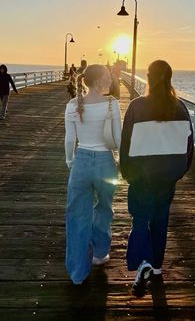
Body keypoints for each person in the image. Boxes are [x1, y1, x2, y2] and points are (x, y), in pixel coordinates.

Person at [120, 60, 193, 297]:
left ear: (148, 77)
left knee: (141, 219)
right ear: (170, 78)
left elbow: (126, 144)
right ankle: (157, 267)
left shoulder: (136, 106)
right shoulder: (180, 107)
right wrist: (180, 171)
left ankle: (144, 262)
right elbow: (189, 146)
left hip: (143, 176)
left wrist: (126, 171)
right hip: (168, 176)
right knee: (161, 221)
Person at [64, 64, 122, 285]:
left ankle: (78, 273)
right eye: (108, 77)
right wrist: (122, 163)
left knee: (77, 215)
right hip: (106, 163)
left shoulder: (72, 105)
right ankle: (99, 253)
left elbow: (70, 140)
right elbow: (118, 139)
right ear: (98, 81)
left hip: (81, 161)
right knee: (104, 208)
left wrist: (70, 161)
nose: (111, 80)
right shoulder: (112, 104)